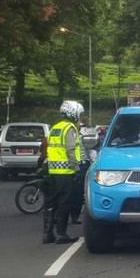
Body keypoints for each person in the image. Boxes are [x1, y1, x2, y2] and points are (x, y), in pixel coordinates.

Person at [42, 100, 85, 244]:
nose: (80, 118)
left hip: (52, 171)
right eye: (79, 114)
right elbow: (70, 150)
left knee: (51, 203)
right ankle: (61, 234)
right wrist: (77, 169)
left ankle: (48, 234)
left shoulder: (55, 128)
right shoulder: (70, 128)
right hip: (66, 172)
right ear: (73, 114)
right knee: (64, 204)